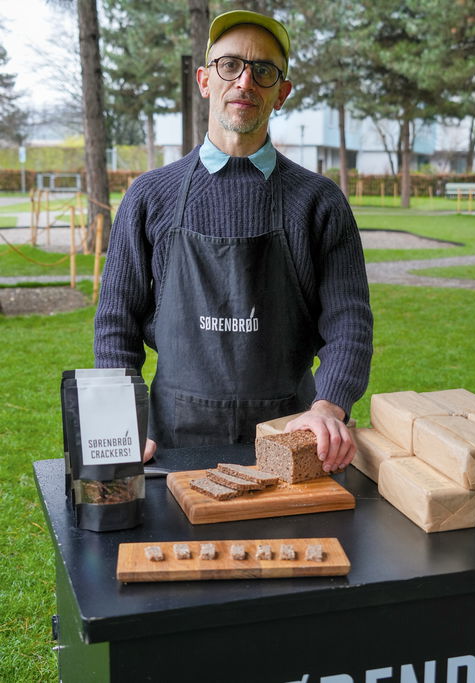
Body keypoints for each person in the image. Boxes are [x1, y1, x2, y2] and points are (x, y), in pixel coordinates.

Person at [94, 10, 373, 473]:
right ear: (205, 80)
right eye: (230, 66)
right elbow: (115, 324)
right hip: (171, 444)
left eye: (263, 70)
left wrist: (329, 407)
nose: (245, 81)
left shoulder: (319, 202)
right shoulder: (149, 196)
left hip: (292, 438)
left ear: (281, 93)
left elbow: (350, 324)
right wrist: (122, 420)